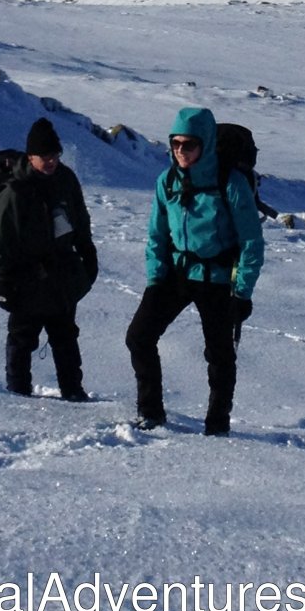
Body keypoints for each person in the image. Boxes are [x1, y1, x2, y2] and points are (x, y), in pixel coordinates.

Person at [125, 106, 263, 435]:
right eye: (175, 144)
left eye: (189, 145)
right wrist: (156, 278)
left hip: (217, 279)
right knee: (139, 338)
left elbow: (251, 242)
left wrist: (241, 292)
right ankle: (150, 412)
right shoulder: (167, 181)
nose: (181, 151)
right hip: (175, 274)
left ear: (206, 144)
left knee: (219, 354)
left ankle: (217, 425)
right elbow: (157, 235)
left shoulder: (230, 183)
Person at [0, 117, 98, 400]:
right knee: (22, 336)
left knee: (65, 335)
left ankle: (73, 392)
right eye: (45, 157)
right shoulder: (15, 191)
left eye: (55, 155)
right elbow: (2, 238)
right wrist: (4, 278)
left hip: (62, 273)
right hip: (26, 277)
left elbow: (80, 219)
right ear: (30, 157)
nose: (51, 162)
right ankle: (17, 394)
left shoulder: (66, 179)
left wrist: (88, 254)